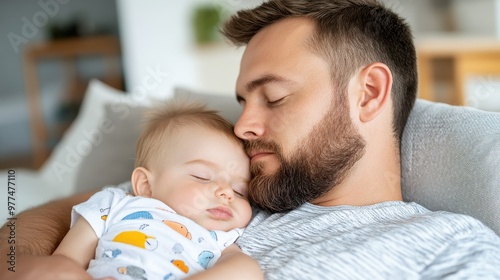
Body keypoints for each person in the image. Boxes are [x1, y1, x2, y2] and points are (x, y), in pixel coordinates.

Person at [1, 0, 500, 279]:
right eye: (242, 102)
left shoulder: (448, 245)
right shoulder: (237, 191)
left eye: (274, 99)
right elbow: (83, 209)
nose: (242, 128)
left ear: (368, 93)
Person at [50, 101, 262, 280]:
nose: (227, 193)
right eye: (202, 177)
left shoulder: (220, 239)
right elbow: (65, 262)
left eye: (240, 191)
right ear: (146, 185)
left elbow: (246, 271)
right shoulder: (115, 204)